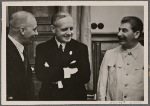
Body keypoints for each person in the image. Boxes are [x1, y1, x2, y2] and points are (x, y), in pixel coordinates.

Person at [35, 12, 91, 100]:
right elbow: (40, 74)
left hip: (75, 97)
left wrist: (52, 71)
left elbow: (85, 77)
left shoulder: (80, 48)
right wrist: (68, 71)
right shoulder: (42, 48)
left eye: (71, 28)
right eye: (64, 29)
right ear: (53, 29)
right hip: (50, 97)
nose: (69, 33)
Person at [97, 16, 144, 101]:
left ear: (136, 34)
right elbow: (101, 87)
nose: (119, 34)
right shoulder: (109, 54)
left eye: (124, 30)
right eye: (119, 30)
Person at [7, 11, 38, 100]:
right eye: (34, 29)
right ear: (22, 30)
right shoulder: (5, 53)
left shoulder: (20, 49)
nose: (37, 33)